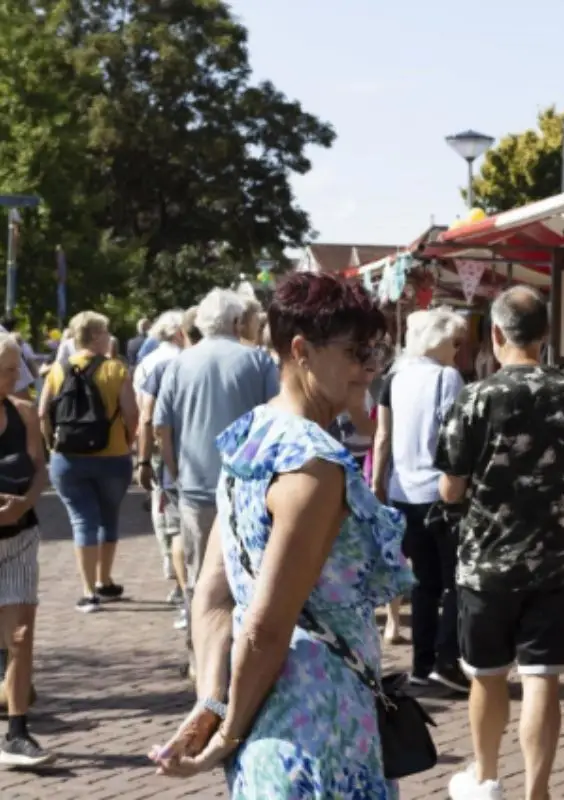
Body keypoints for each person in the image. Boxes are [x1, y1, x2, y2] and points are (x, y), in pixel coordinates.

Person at [148, 272, 411, 798]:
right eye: (357, 351)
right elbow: (266, 625)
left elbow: (214, 593)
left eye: (375, 350)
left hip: (268, 723)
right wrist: (225, 729)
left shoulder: (253, 435)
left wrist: (215, 700)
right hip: (318, 729)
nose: (369, 367)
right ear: (301, 351)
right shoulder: (313, 464)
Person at [437, 287, 564, 800]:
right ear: (545, 335)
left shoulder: (474, 397)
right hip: (555, 562)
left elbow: (451, 486)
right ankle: (538, 791)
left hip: (486, 564)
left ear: (495, 334)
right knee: (542, 677)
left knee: (487, 676)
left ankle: (486, 779)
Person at [153, 290, 278, 668]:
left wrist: (176, 473)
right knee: (250, 577)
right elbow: (277, 419)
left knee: (198, 578)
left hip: (195, 487)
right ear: (239, 322)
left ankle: (200, 660)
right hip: (247, 487)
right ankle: (244, 659)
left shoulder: (179, 364)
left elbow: (162, 428)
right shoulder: (257, 361)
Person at [372, 307, 468, 691]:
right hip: (439, 492)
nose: (458, 350)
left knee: (422, 583)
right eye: (455, 342)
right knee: (456, 582)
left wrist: (379, 483)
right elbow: (455, 438)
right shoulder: (447, 378)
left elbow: (382, 438)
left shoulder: (394, 378)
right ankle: (447, 660)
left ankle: (422, 663)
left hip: (401, 491)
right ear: (439, 341)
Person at [39, 311, 137, 613]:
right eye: (105, 333)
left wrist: (51, 445)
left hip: (68, 458)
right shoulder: (115, 369)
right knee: (108, 517)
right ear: (96, 336)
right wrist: (128, 441)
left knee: (82, 521)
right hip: (112, 455)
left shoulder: (57, 370)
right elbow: (132, 412)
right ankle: (104, 581)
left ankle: (87, 591)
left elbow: (43, 413)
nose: (108, 337)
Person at [0, 336, 53, 767]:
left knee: (20, 639)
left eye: (14, 367)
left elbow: (39, 471)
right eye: (4, 368)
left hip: (19, 541)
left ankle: (17, 732)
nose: (13, 376)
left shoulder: (23, 413)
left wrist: (25, 502)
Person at [134, 309, 191, 616]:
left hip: (163, 451)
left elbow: (146, 417)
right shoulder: (190, 362)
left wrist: (142, 459)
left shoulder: (149, 364)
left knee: (171, 521)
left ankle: (177, 579)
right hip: (196, 452)